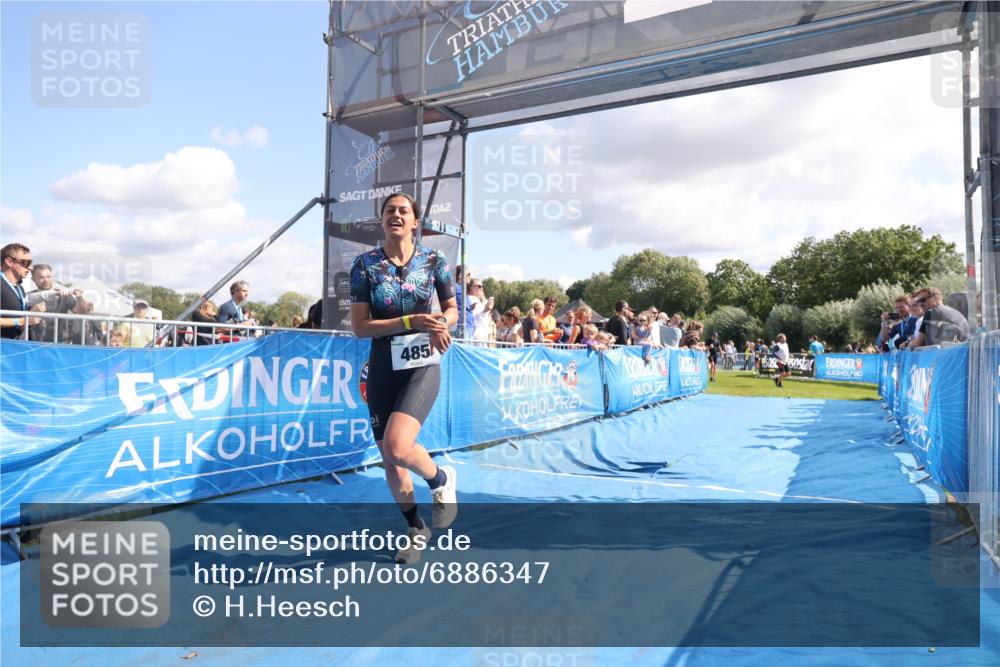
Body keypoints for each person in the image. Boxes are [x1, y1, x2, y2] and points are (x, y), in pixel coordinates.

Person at [349, 193, 459, 565]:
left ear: (415, 222)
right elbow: (360, 327)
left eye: (404, 211)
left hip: (422, 363)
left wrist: (441, 324)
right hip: (383, 363)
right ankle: (416, 529)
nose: (396, 215)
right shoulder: (364, 266)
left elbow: (451, 308)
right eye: (389, 211)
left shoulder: (435, 261)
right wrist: (412, 321)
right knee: (391, 461)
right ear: (382, 221)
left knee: (397, 446)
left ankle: (440, 480)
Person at [27, 263, 77, 342]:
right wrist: (32, 311)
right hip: (34, 343)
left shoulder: (64, 295)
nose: (46, 280)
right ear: (33, 279)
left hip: (60, 343)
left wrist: (80, 297)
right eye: (41, 277)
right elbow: (20, 322)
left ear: (52, 277)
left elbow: (82, 312)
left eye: (48, 276)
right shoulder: (27, 297)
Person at [1, 243, 40, 339]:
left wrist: (31, 318)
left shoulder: (20, 288)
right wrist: (21, 321)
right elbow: (20, 320)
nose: (30, 268)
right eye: (25, 263)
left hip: (12, 346)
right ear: (9, 262)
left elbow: (20, 323)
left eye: (30, 264)